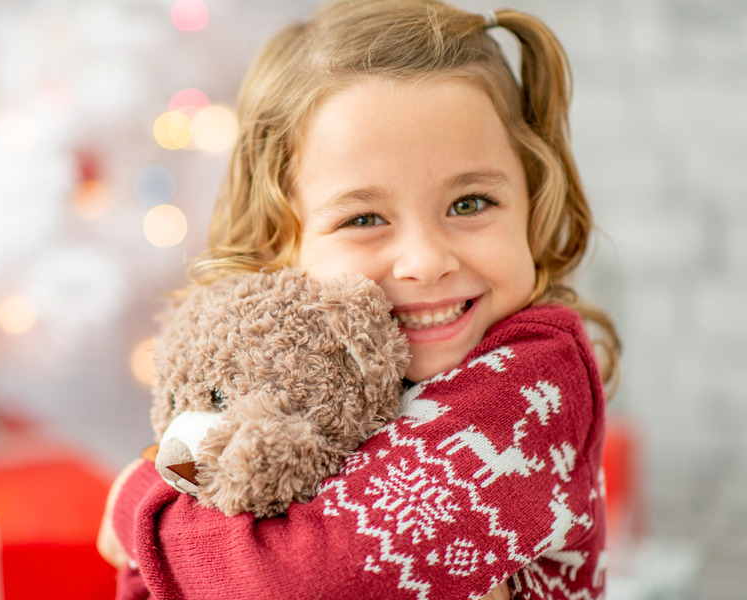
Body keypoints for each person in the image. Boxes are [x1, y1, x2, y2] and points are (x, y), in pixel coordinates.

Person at [98, 0, 621, 597]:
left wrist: (144, 507)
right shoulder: (300, 370)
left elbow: (310, 582)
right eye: (366, 217)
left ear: (533, 200)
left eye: (470, 204)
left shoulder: (535, 386)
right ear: (281, 238)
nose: (426, 261)